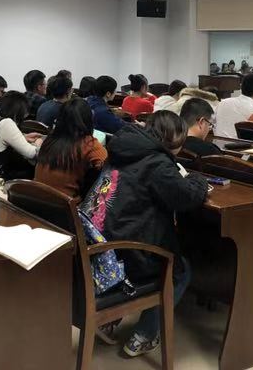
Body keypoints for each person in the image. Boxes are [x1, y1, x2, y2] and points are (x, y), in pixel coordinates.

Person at [96, 112, 207, 357]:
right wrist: (198, 178)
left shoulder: (121, 149)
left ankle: (108, 320)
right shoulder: (157, 162)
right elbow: (186, 197)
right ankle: (144, 335)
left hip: (102, 246)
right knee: (179, 270)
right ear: (175, 138)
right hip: (130, 252)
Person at [35, 98, 107, 198]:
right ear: (89, 119)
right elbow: (109, 170)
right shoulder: (89, 144)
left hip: (33, 197)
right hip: (65, 203)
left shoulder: (50, 139)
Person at [213, 73, 253, 139]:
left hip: (218, 142)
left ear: (241, 87)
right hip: (239, 144)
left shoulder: (223, 102)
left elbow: (213, 122)